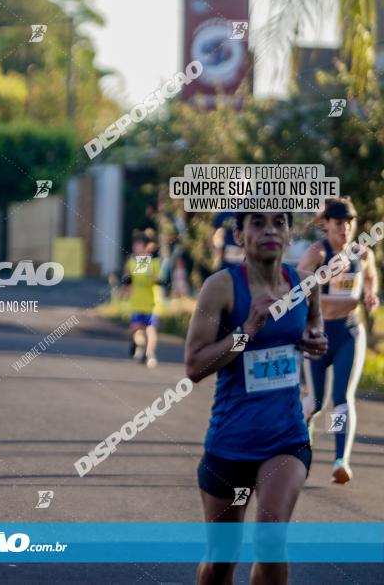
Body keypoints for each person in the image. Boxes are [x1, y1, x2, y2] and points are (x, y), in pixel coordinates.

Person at [185, 212, 327, 585]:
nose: (269, 230)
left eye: (279, 223)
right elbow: (195, 366)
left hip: (287, 439)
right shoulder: (222, 287)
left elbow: (314, 324)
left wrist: (314, 340)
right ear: (238, 234)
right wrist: (246, 331)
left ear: (289, 233)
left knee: (270, 538)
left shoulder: (302, 284)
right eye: (258, 223)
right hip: (230, 442)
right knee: (220, 561)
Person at [297, 198, 378, 483]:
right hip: (319, 334)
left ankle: (340, 460)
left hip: (349, 333)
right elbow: (300, 288)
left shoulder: (361, 254)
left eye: (349, 223)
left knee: (343, 399)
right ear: (327, 224)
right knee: (315, 402)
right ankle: (301, 451)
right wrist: (323, 283)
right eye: (339, 223)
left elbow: (370, 278)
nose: (345, 228)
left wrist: (370, 296)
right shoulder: (317, 252)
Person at [122, 230, 161, 368]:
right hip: (136, 303)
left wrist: (155, 277)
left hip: (151, 303)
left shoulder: (154, 262)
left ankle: (149, 354)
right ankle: (137, 346)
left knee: (150, 329)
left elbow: (156, 279)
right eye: (135, 245)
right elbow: (127, 279)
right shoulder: (132, 262)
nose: (135, 247)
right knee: (136, 330)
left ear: (145, 246)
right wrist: (126, 288)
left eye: (138, 245)